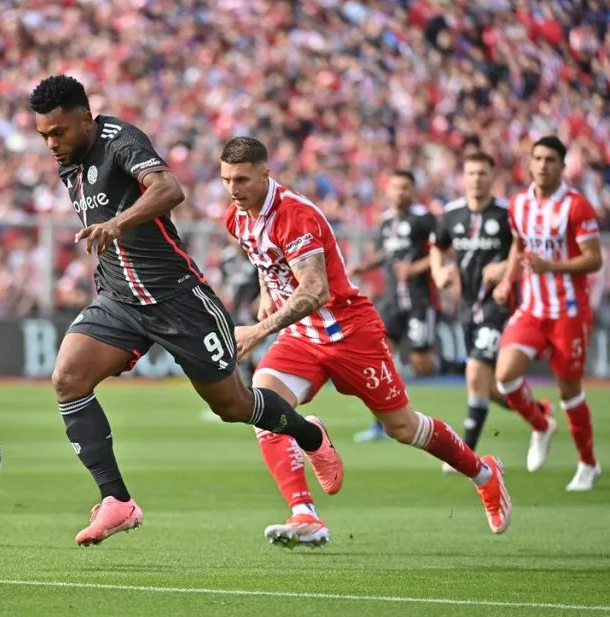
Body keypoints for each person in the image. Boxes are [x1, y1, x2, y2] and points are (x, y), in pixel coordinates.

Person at [30, 75, 341, 547]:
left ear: (86, 120)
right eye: (44, 136)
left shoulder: (120, 141)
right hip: (119, 299)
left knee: (233, 406)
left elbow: (170, 189)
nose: (52, 144)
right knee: (67, 379)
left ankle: (310, 436)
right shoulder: (68, 159)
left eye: (59, 132)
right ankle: (117, 500)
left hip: (179, 299)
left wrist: (118, 223)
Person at [220, 136, 511, 547]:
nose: (233, 189)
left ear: (266, 173)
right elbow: (265, 260)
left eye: (242, 180)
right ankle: (306, 513)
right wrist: (269, 291)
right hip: (302, 335)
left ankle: (483, 473)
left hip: (349, 332)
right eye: (227, 180)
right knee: (262, 406)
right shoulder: (237, 217)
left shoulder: (295, 215)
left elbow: (315, 290)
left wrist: (257, 330)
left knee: (403, 427)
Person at [493, 136, 603, 492]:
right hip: (531, 308)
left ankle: (588, 464)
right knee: (505, 376)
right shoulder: (519, 203)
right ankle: (541, 425)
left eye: (551, 159)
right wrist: (507, 281)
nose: (543, 165)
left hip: (568, 312)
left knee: (569, 390)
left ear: (562, 165)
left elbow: (594, 259)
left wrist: (550, 266)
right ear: (530, 163)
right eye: (537, 158)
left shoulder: (576, 206)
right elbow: (518, 246)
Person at [430, 152, 515, 470]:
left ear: (492, 176)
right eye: (471, 173)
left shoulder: (508, 213)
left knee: (475, 371)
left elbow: (524, 250)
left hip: (499, 305)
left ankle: (464, 455)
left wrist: (506, 269)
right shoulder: (452, 214)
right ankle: (537, 413)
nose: (476, 178)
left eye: (482, 173)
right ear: (463, 177)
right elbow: (437, 247)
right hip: (467, 307)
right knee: (488, 388)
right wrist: (439, 272)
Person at [348, 170, 441, 443]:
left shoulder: (424, 219)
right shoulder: (386, 221)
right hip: (391, 302)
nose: (400, 192)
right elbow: (386, 253)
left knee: (421, 364)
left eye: (405, 188)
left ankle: (450, 366)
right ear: (388, 191)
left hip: (419, 300)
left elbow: (443, 251)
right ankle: (380, 425)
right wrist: (364, 266)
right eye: (395, 187)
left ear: (413, 191)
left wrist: (415, 268)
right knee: (380, 359)